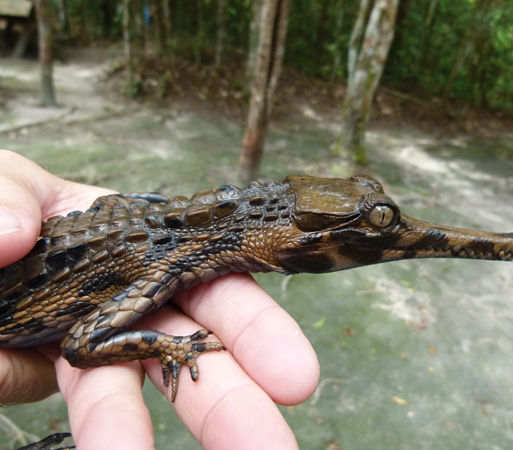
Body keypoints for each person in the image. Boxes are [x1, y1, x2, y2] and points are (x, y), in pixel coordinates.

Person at [0, 150, 319, 450]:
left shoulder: (142, 217)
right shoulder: (159, 262)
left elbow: (107, 203)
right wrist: (170, 347)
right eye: (369, 221)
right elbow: (81, 346)